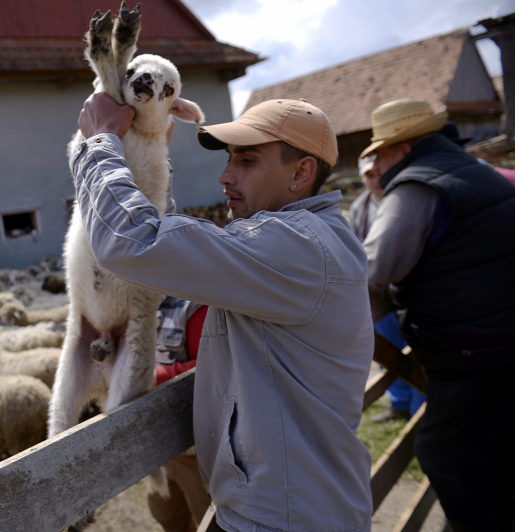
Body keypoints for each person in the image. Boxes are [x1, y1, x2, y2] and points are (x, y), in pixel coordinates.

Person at [71, 95, 374, 531]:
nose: (226, 176)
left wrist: (101, 142)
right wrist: (149, 155)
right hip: (284, 505)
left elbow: (137, 243)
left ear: (302, 172)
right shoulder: (304, 243)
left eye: (247, 161)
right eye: (230, 159)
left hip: (284, 517)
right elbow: (181, 253)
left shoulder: (298, 247)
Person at [360, 98, 515, 532]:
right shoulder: (479, 173)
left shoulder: (416, 186)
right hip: (499, 341)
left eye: (381, 150)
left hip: (469, 350)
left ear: (404, 149)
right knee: (497, 452)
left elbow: (374, 267)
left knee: (447, 455)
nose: (377, 160)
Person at [349, 155, 426, 423]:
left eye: (378, 173)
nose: (375, 180)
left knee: (417, 349)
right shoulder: (360, 207)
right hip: (377, 295)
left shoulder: (405, 199)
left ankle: (420, 410)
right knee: (386, 351)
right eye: (369, 176)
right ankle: (399, 405)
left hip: (408, 289)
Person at [147, 295, 210, 532]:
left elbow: (210, 362)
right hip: (161, 441)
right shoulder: (147, 302)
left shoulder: (197, 305)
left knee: (208, 517)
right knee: (167, 514)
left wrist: (158, 375)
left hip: (197, 448)